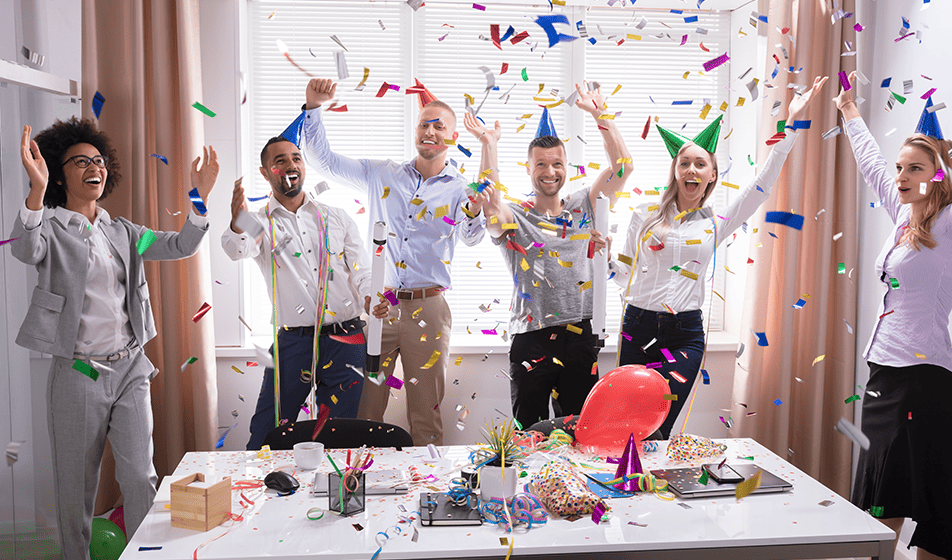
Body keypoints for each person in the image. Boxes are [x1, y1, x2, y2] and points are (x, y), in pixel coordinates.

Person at [11, 118, 219, 559]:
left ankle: (148, 555)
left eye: (100, 160)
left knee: (141, 475)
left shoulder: (122, 231)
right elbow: (25, 249)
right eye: (81, 161)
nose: (95, 167)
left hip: (129, 367)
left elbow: (181, 245)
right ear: (58, 172)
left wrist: (199, 195)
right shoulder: (50, 229)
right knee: (76, 486)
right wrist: (35, 189)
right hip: (78, 370)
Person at [612, 76, 827, 439]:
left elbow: (761, 188)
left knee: (659, 424)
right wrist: (600, 260)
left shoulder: (716, 224)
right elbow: (623, 272)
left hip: (686, 333)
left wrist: (790, 126)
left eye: (700, 164)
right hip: (639, 328)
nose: (691, 170)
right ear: (675, 171)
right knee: (630, 426)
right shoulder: (643, 214)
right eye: (685, 164)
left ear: (712, 175)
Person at [297, 78, 486, 446]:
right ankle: (361, 491)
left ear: (453, 136)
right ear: (416, 131)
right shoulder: (382, 174)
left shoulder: (461, 189)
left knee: (425, 414)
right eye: (424, 124)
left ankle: (428, 496)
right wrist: (314, 108)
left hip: (428, 309)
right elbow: (326, 163)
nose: (429, 131)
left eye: (438, 126)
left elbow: (473, 237)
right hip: (380, 307)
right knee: (366, 411)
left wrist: (476, 212)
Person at [836, 72, 952, 560]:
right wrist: (850, 115)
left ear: (940, 174)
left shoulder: (948, 222)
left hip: (924, 374)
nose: (902, 177)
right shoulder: (904, 215)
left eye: (915, 169)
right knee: (881, 486)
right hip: (884, 366)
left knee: (925, 490)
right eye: (901, 167)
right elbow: (871, 168)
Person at [469, 82, 630, 430]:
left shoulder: (584, 206)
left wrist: (601, 116)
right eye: (541, 164)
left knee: (578, 431)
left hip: (580, 335)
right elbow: (492, 206)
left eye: (557, 163)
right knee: (530, 435)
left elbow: (623, 168)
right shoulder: (516, 215)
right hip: (531, 338)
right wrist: (488, 144)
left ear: (567, 167)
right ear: (528, 168)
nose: (550, 171)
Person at [223, 136, 389, 451]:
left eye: (296, 158)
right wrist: (235, 221)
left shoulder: (336, 217)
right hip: (292, 342)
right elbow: (236, 249)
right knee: (265, 434)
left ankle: (330, 498)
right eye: (281, 160)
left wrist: (370, 298)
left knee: (339, 437)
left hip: (347, 340)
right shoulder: (258, 222)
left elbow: (362, 272)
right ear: (265, 172)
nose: (291, 165)